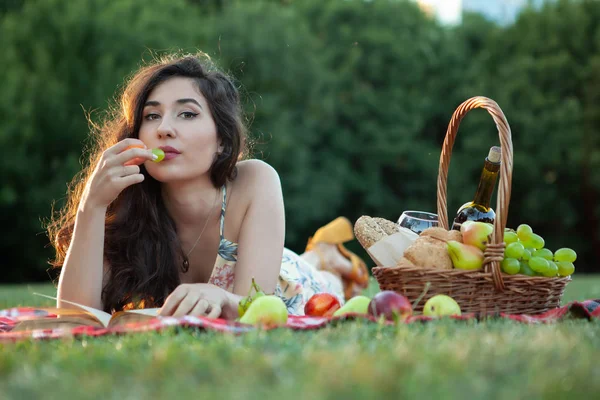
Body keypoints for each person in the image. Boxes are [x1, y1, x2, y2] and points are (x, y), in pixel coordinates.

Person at [47, 52, 369, 320]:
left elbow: (255, 307)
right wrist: (92, 204)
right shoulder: (129, 207)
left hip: (291, 286)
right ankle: (320, 254)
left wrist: (219, 296)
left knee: (324, 278)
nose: (165, 129)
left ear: (222, 142)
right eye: (151, 116)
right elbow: (75, 318)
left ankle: (325, 259)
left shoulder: (254, 180)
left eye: (187, 114)